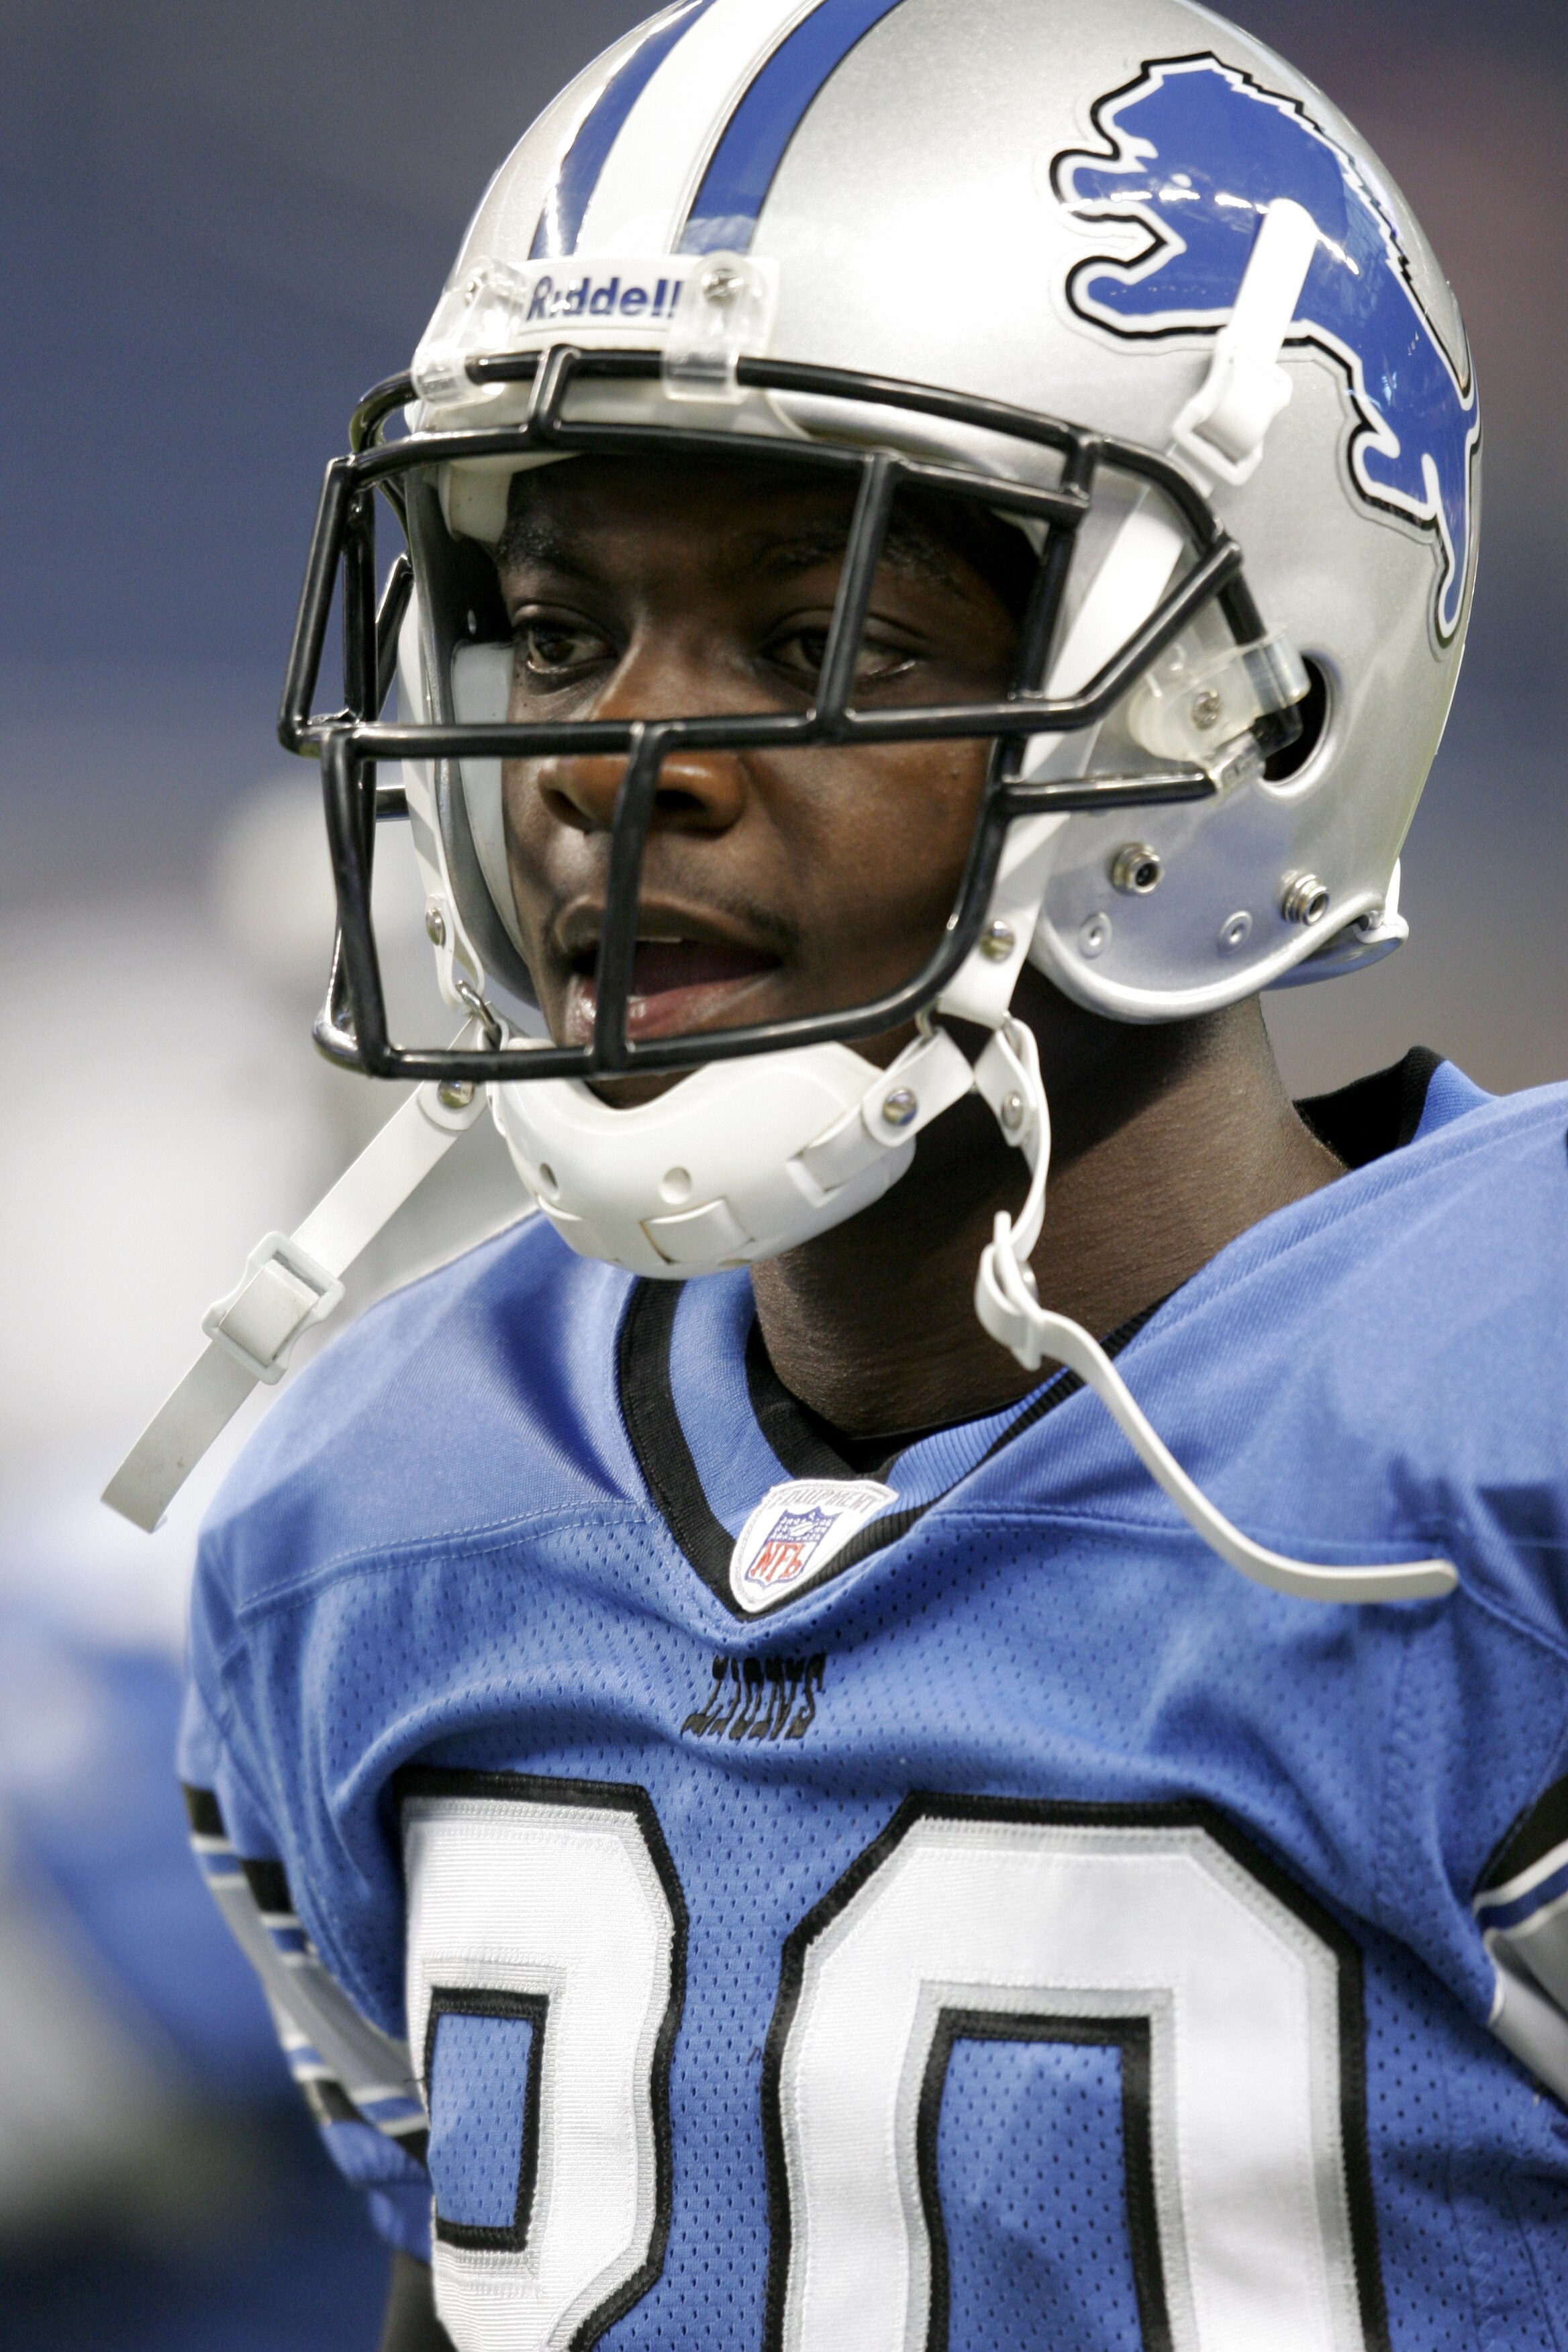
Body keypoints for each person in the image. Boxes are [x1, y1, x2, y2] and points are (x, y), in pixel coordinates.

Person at [162, 2, 1567, 2347]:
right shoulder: (370, 1523)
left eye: (818, 636)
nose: (618, 765)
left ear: (1257, 707)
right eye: (551, 627)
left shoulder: (1502, 1449)